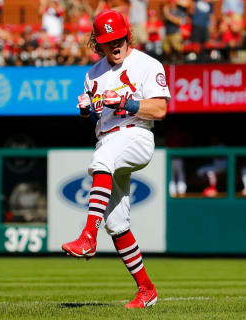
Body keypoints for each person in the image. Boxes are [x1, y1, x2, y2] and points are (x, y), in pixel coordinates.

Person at [61, 10, 170, 308]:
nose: (115, 44)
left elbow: (160, 110)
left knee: (102, 160)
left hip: (137, 135)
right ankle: (146, 290)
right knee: (116, 223)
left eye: (119, 38)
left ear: (127, 35)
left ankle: (87, 237)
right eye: (108, 41)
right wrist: (86, 110)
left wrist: (127, 101)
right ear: (98, 43)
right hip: (108, 136)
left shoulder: (147, 64)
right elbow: (96, 113)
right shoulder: (93, 74)